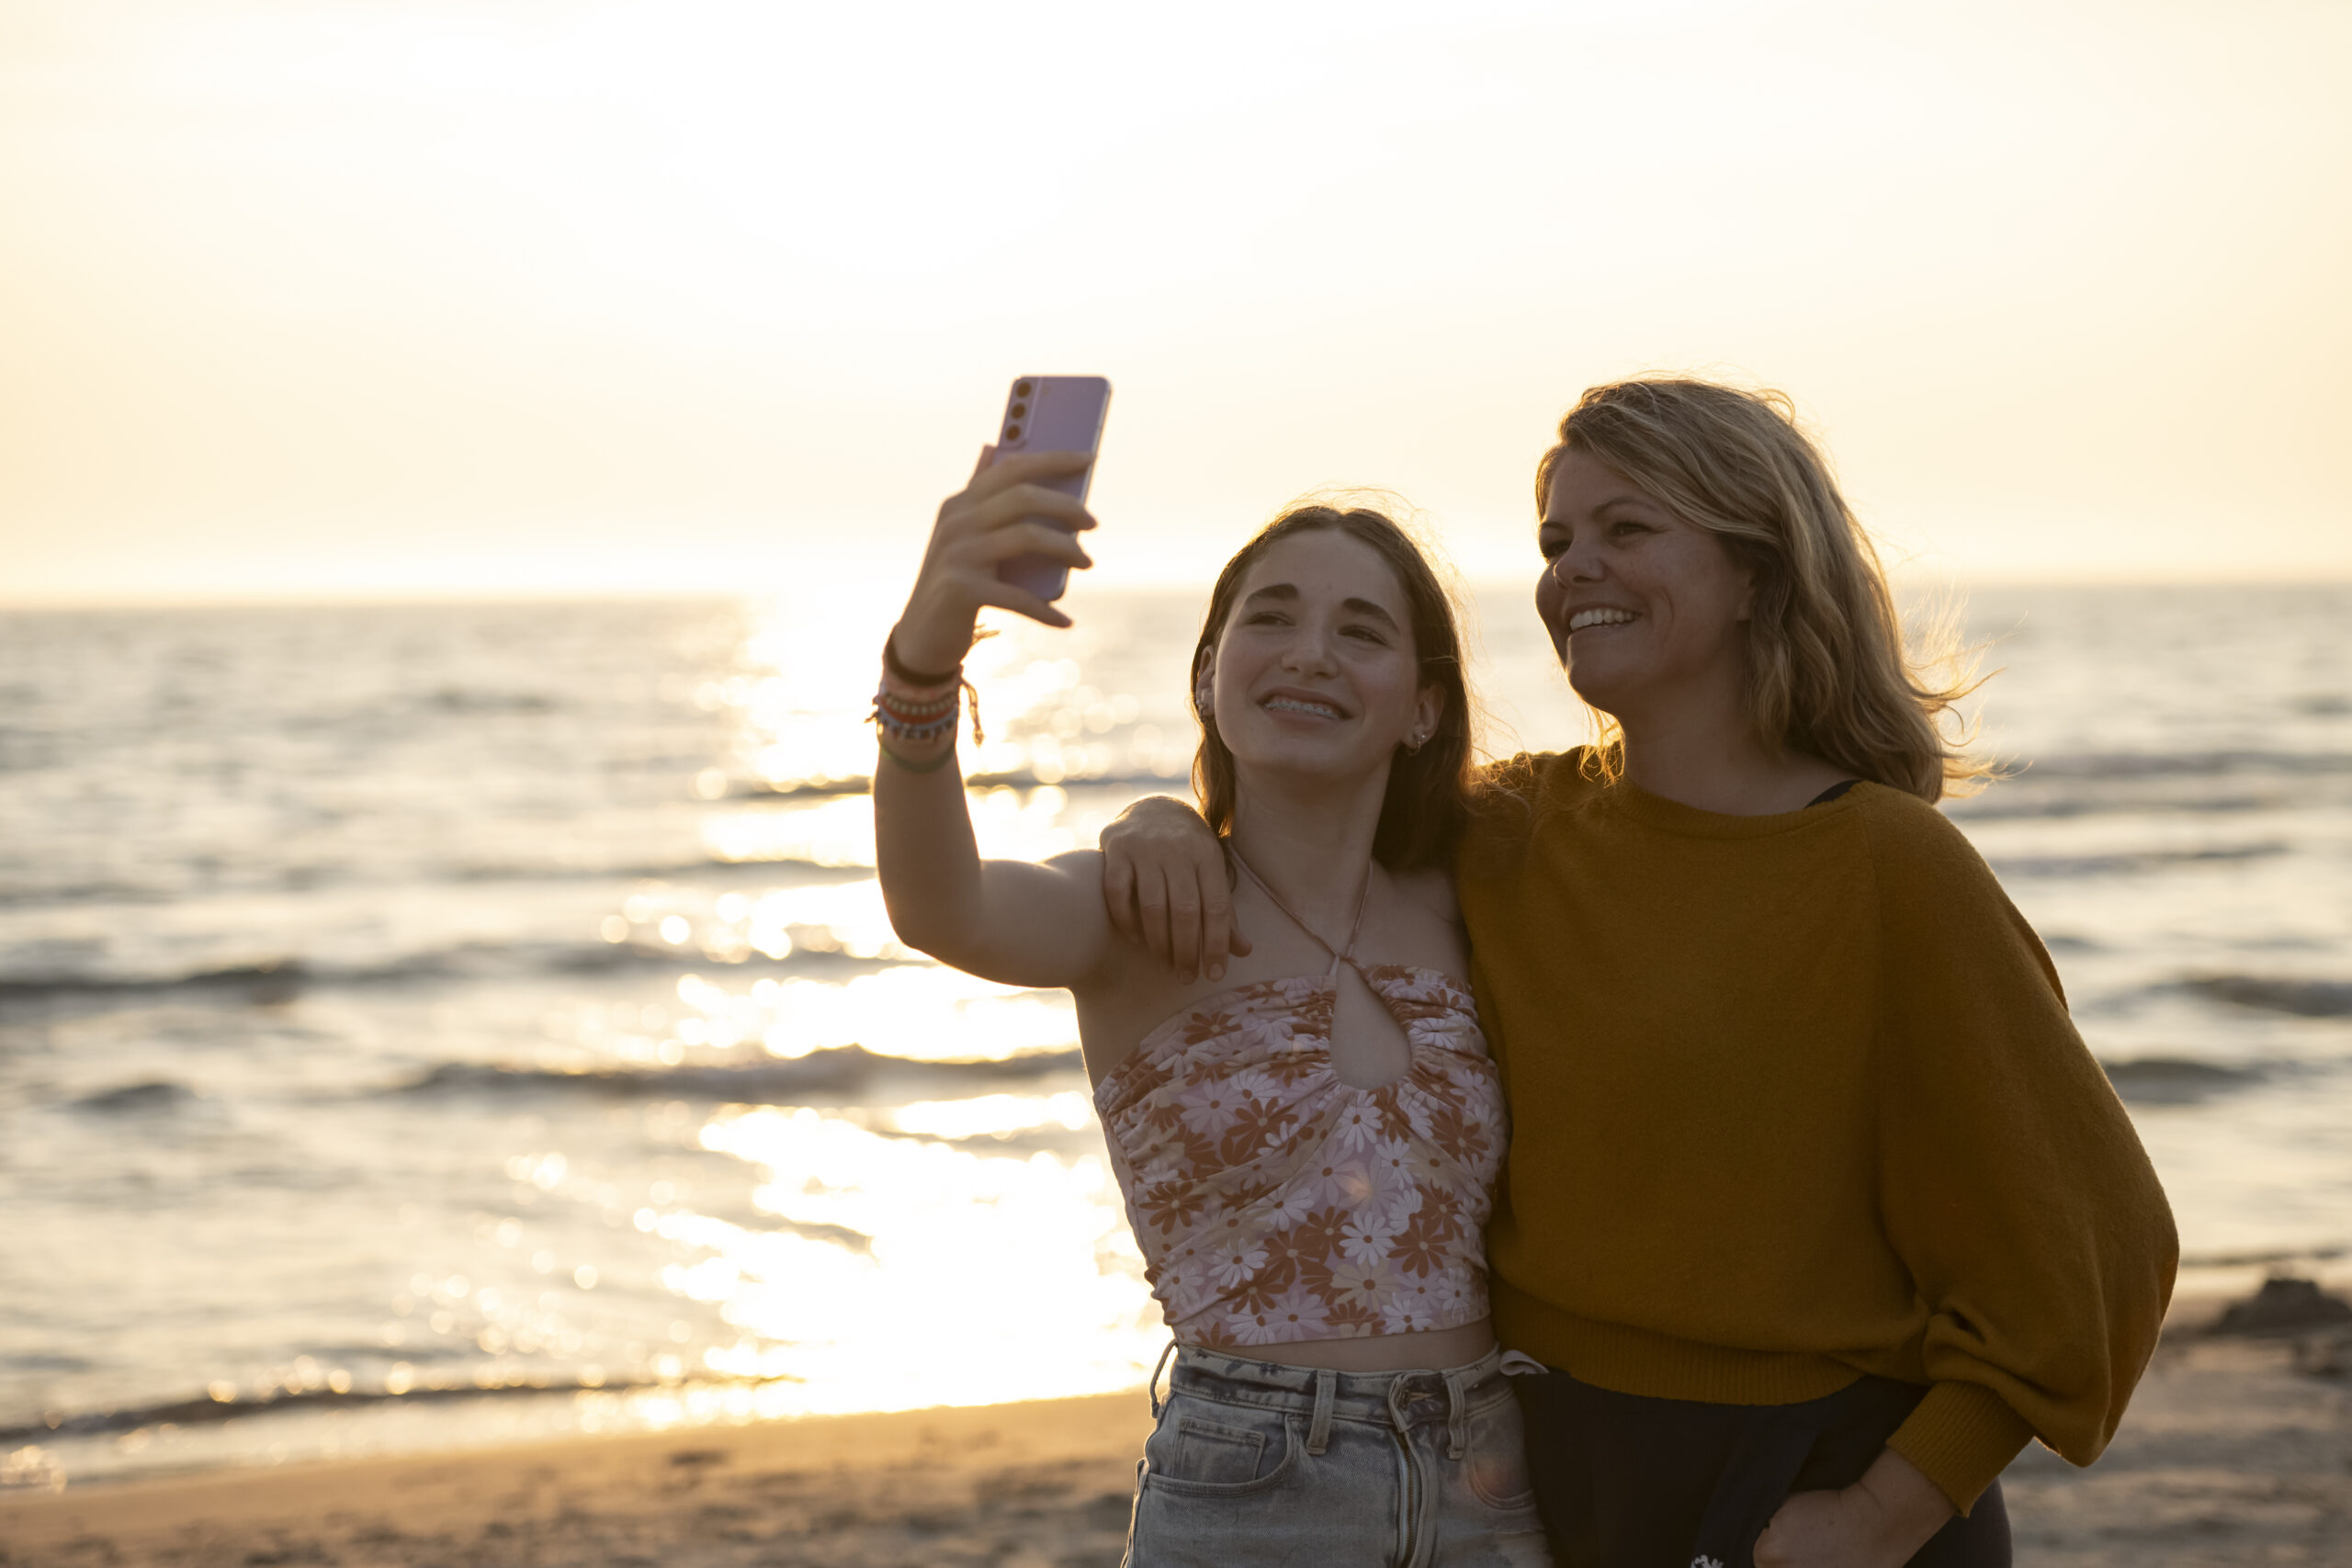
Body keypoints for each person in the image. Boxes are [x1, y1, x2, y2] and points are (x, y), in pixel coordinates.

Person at [1100, 378, 2178, 1568]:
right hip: (1555, 1476)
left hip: (1807, 1490)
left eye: (1628, 529)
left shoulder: (1886, 863)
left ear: (1757, 573)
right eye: (1558, 541)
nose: (1575, 572)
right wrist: (1165, 824)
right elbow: (1310, 843)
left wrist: (1883, 1514)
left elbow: (2101, 1244)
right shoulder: (1510, 832)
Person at [869, 444, 1554, 1567]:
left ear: (1424, 709)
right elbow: (938, 907)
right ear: (1207, 676)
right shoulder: (1137, 911)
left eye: (1362, 632)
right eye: (1271, 620)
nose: (1310, 656)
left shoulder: (1478, 897)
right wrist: (925, 658)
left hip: (1491, 1477)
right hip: (1253, 1488)